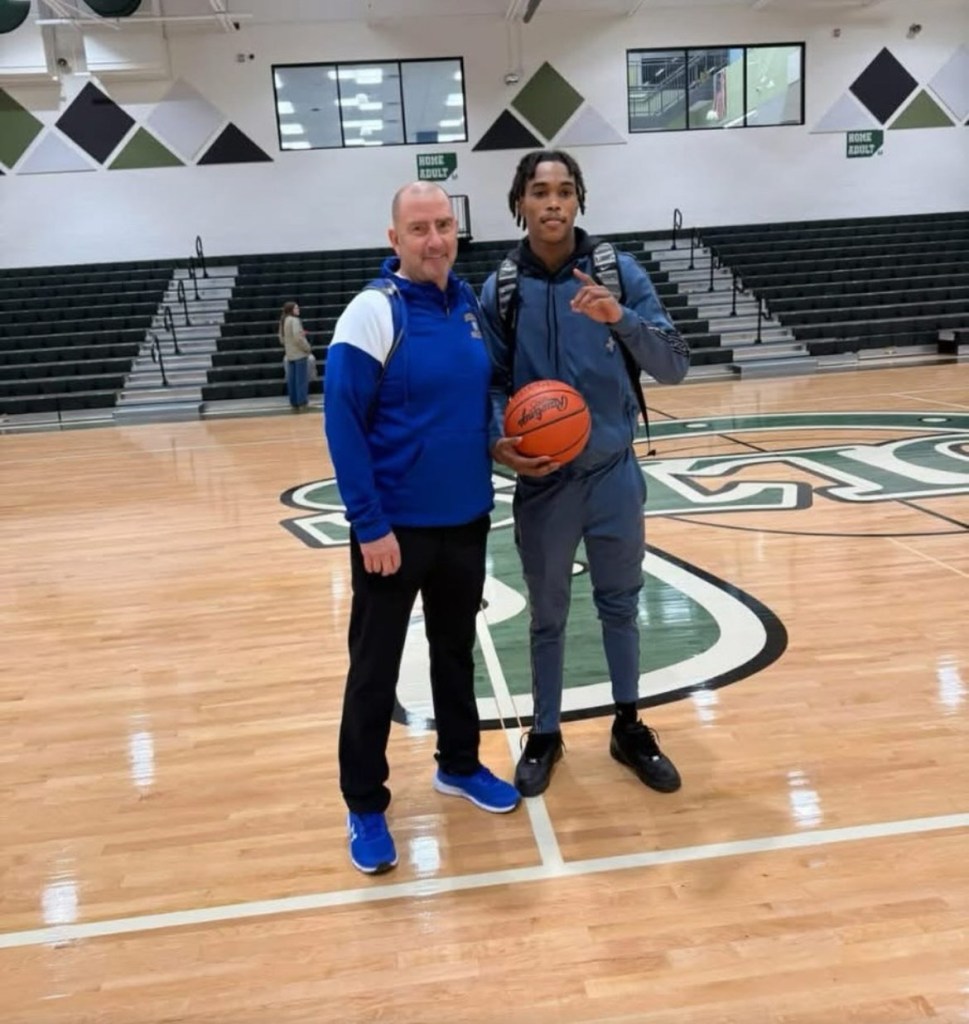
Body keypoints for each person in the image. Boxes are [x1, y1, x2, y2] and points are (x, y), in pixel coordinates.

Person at [479, 150, 691, 798]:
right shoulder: (501, 289)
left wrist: (618, 318)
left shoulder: (616, 273)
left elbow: (674, 364)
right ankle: (545, 733)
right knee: (546, 616)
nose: (553, 202)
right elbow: (490, 383)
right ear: (519, 203)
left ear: (579, 200)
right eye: (540, 191)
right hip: (544, 482)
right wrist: (497, 441)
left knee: (620, 605)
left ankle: (628, 726)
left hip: (612, 474)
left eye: (565, 191)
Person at [323, 182, 520, 875]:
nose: (434, 239)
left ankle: (458, 764)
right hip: (393, 532)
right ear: (394, 239)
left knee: (454, 653)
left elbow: (475, 397)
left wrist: (496, 442)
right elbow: (342, 424)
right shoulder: (372, 312)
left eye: (443, 225)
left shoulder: (467, 306)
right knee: (374, 670)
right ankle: (364, 802)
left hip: (465, 518)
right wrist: (369, 524)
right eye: (419, 228)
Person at [279, 300, 312, 409]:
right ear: (291, 310)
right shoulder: (295, 320)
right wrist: (307, 347)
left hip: (290, 354)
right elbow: (298, 338)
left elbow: (281, 339)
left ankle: (294, 402)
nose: (298, 309)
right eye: (296, 308)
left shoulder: (283, 320)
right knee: (301, 380)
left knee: (292, 380)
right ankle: (302, 402)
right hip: (299, 353)